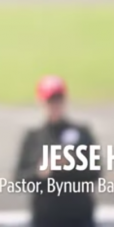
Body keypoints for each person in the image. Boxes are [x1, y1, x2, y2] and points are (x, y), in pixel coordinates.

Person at [14, 75, 100, 227]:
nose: (55, 105)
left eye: (58, 100)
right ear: (41, 102)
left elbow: (95, 173)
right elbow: (19, 179)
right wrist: (40, 172)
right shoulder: (34, 138)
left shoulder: (81, 133)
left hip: (80, 218)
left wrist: (70, 164)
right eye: (50, 101)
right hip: (45, 218)